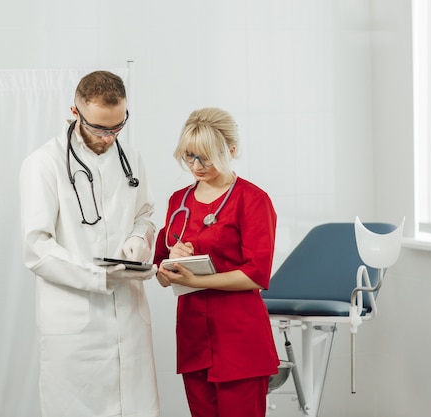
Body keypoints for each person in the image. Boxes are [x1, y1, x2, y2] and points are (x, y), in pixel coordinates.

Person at [19, 70, 159, 417]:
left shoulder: (131, 158)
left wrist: (138, 239)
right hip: (75, 322)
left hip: (128, 313)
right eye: (99, 128)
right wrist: (99, 276)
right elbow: (37, 249)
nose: (109, 137)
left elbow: (144, 215)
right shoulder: (43, 164)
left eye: (117, 127)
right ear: (75, 111)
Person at [153, 107, 279, 417]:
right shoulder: (178, 201)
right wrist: (168, 268)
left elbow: (256, 275)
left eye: (205, 157)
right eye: (189, 156)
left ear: (231, 150)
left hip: (239, 339)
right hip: (195, 337)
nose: (195, 166)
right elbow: (160, 267)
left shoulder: (252, 200)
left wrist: (196, 281)